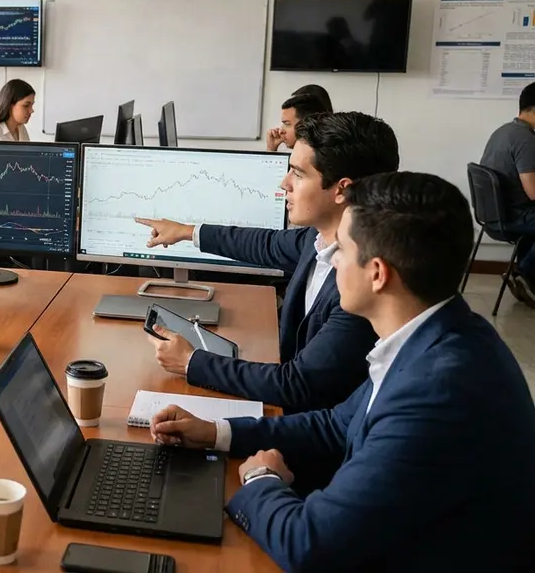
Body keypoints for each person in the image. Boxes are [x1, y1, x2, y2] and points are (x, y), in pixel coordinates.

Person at [150, 172, 535, 571]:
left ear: (378, 273)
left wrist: (261, 478)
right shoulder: (438, 333)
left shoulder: (438, 391)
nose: (330, 259)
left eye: (342, 250)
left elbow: (310, 546)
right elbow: (336, 425)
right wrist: (217, 433)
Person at [137, 112, 399, 414]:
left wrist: (191, 361)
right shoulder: (317, 240)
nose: (284, 183)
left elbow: (297, 384)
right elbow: (264, 243)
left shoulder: (360, 284)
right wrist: (186, 232)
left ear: (341, 189)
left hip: (310, 431)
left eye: (298, 174)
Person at [479, 81, 535, 307]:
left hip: (493, 213)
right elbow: (533, 192)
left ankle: (527, 277)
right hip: (512, 216)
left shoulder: (504, 131)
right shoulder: (527, 139)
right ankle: (525, 274)